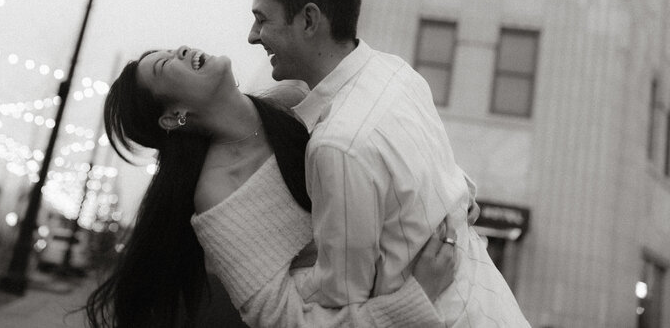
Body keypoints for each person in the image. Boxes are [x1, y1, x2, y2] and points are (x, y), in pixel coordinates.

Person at [239, 0, 529, 326]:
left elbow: (341, 298)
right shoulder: (396, 73)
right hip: (491, 304)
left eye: (262, 20)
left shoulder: (338, 145)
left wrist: (265, 281)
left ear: (309, 19)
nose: (252, 36)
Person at [85, 46, 462, 328]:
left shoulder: (293, 103)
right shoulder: (219, 194)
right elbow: (281, 319)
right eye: (167, 64)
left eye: (172, 48)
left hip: (451, 280)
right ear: (173, 117)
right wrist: (415, 301)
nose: (181, 49)